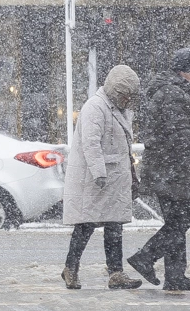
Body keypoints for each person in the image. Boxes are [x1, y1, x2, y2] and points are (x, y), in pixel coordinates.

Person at [127, 48, 190, 291]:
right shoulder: (174, 94)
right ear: (187, 71)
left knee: (175, 221)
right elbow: (182, 138)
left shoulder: (165, 91)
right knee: (183, 218)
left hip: (164, 167)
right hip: (171, 169)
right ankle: (145, 257)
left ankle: (175, 276)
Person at [60, 65, 144, 290]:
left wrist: (132, 175)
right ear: (116, 91)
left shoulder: (118, 109)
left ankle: (115, 274)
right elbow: (91, 143)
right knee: (86, 224)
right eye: (126, 94)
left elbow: (124, 146)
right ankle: (71, 268)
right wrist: (99, 174)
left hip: (114, 179)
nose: (129, 99)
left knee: (114, 225)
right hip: (96, 180)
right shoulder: (95, 108)